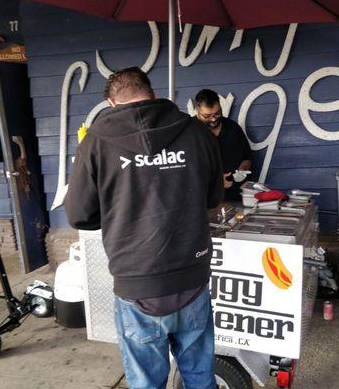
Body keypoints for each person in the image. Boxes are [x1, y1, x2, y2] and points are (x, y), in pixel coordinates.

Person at [64, 67, 223, 389]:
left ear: (111, 103)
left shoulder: (95, 143)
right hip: (191, 276)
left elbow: (80, 215)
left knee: (146, 383)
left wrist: (116, 211)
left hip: (137, 282)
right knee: (200, 378)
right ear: (151, 93)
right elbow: (213, 197)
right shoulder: (197, 132)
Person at [194, 89, 252, 201]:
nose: (213, 119)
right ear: (197, 111)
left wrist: (242, 170)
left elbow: (247, 157)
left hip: (234, 197)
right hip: (203, 200)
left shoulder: (233, 128)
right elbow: (186, 170)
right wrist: (215, 181)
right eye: (207, 116)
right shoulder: (190, 132)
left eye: (217, 113)